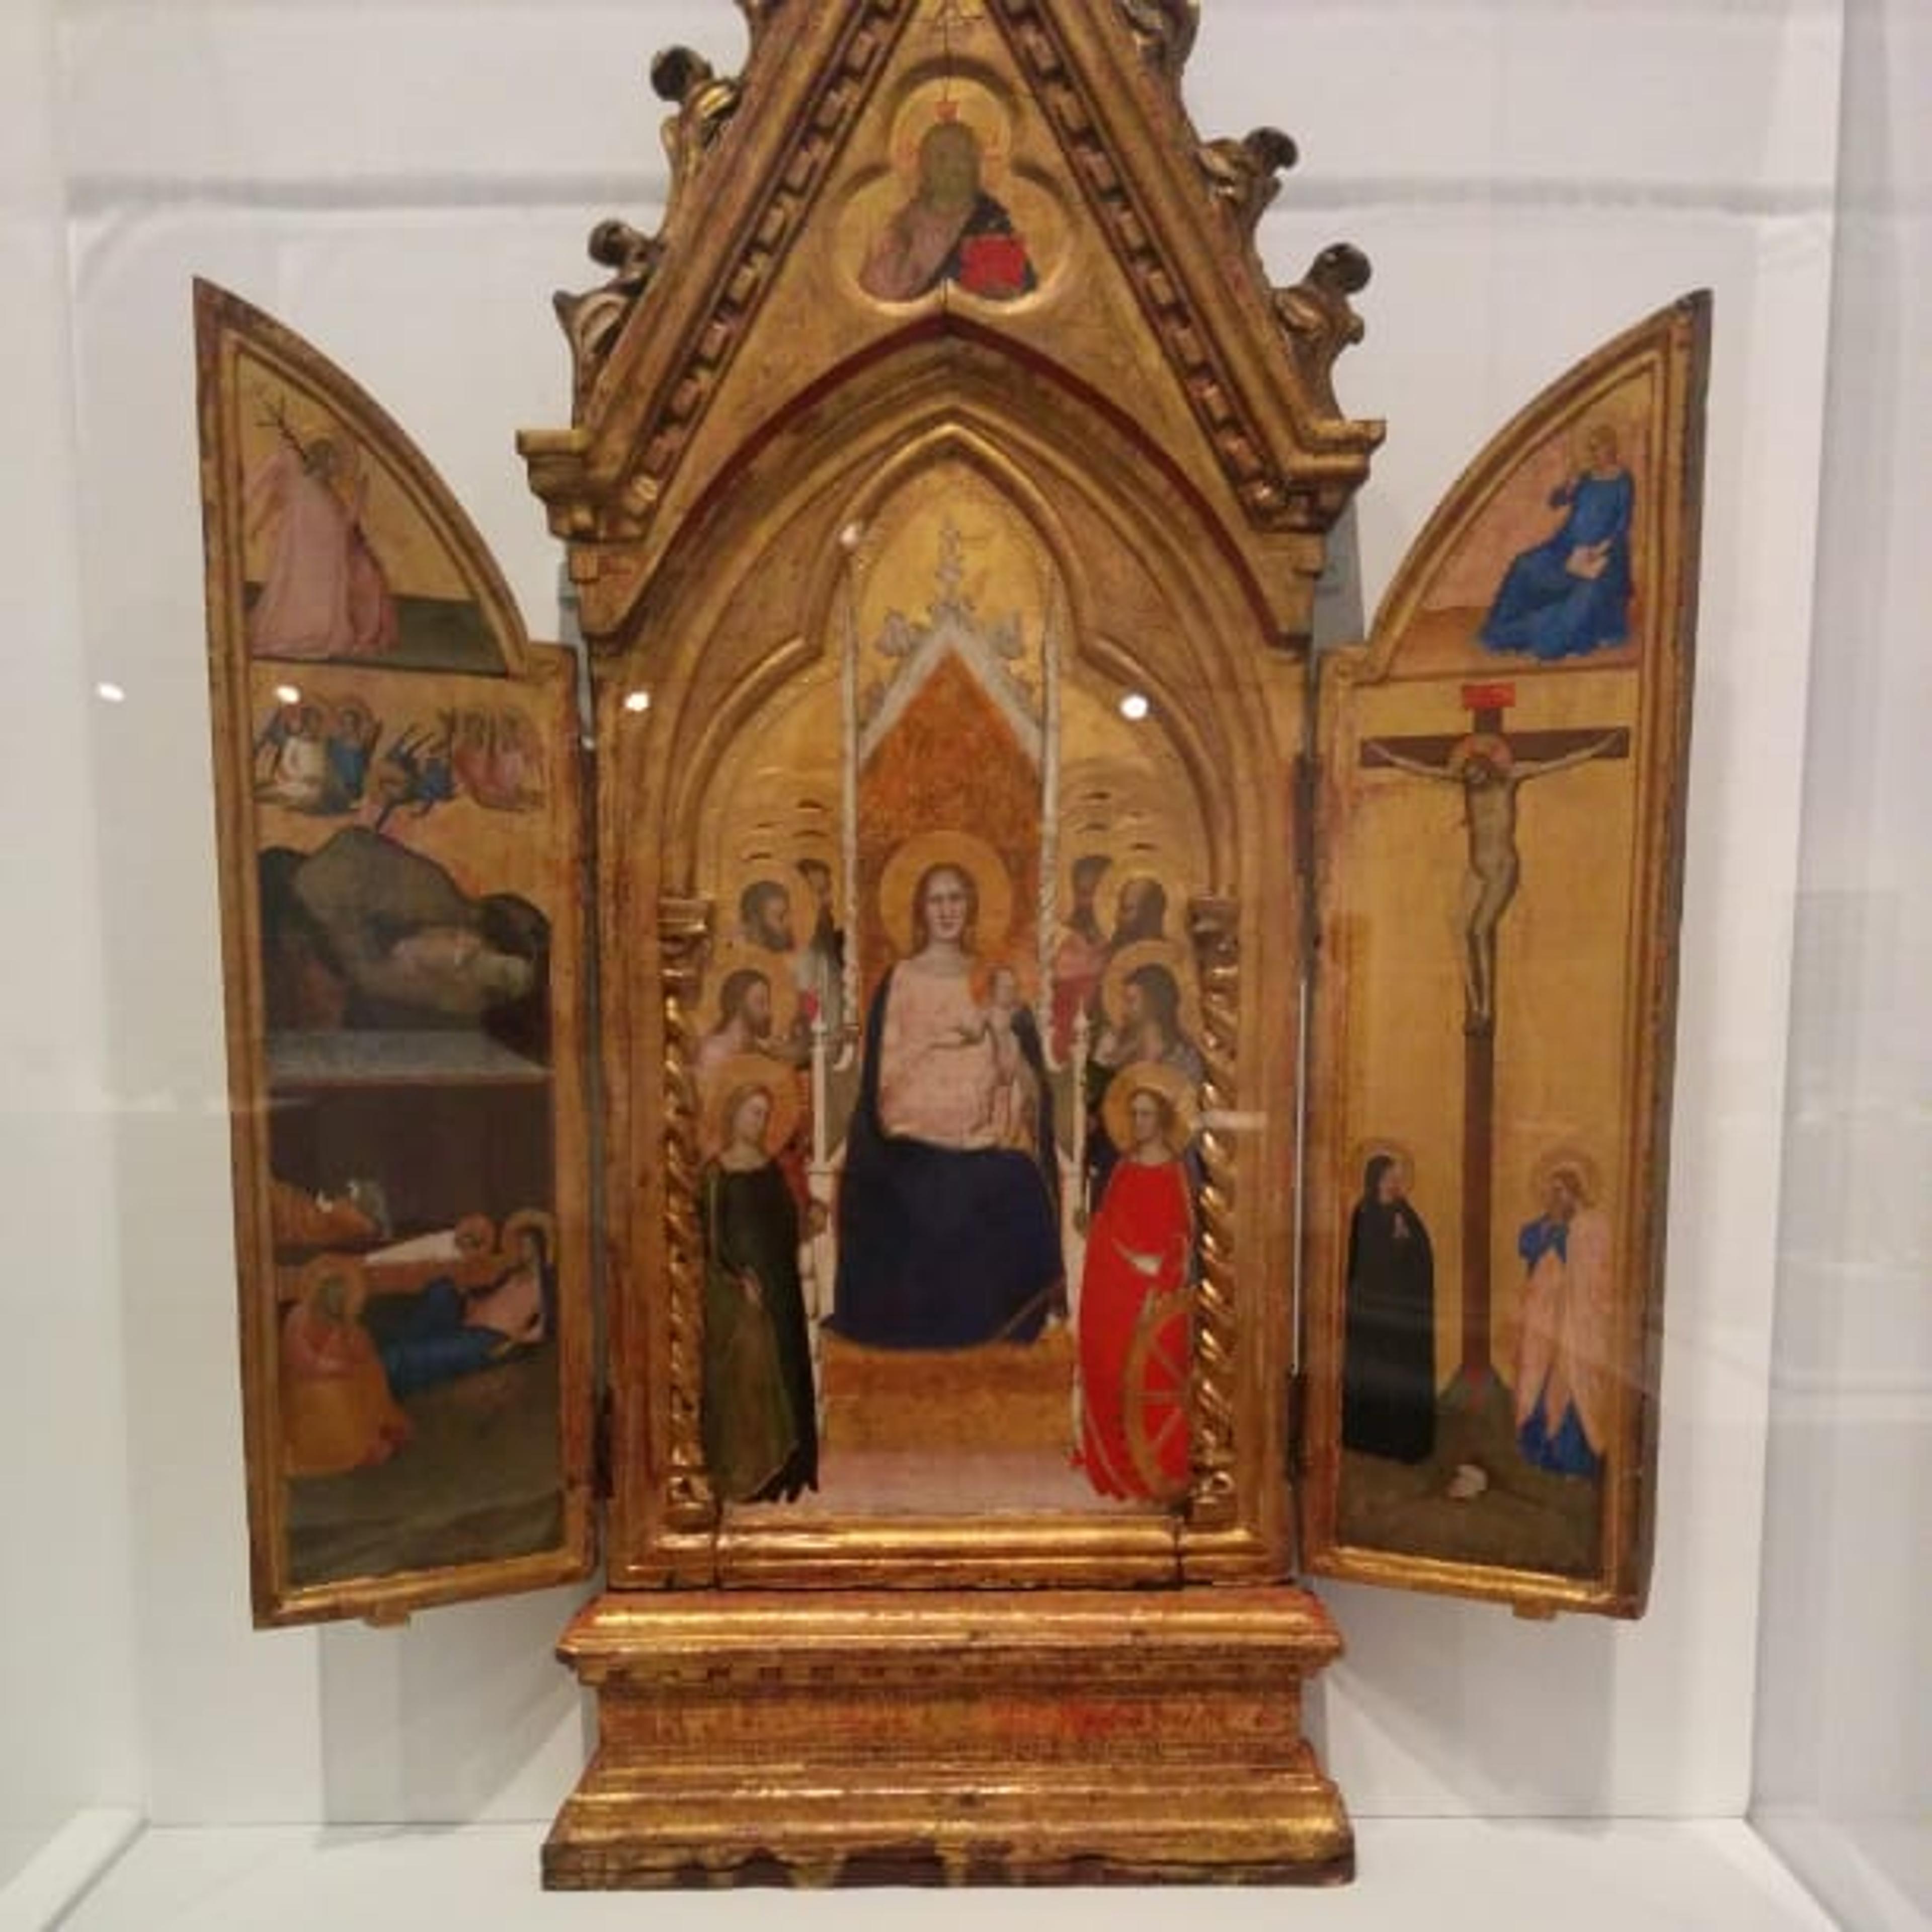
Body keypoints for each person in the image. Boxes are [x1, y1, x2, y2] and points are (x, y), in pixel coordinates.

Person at [832, 859, 1063, 1350]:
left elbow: (1022, 1079)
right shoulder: (900, 979)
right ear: (921, 910)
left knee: (1019, 1181)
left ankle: (996, 1330)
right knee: (920, 1196)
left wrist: (1005, 1055)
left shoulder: (994, 980)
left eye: (956, 898)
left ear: (971, 907)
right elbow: (886, 1078)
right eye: (936, 900)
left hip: (980, 1144)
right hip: (909, 1148)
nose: (946, 910)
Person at [1077, 1073, 1195, 1501]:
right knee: (1108, 1364)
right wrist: (1107, 1242)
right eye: (1135, 1114)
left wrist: (1157, 1280)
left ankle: (1155, 1468)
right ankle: (1115, 1464)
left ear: (1162, 1119)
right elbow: (1109, 1224)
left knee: (1155, 1371)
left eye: (1146, 1115)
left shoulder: (1175, 1172)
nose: (1139, 1122)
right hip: (1118, 1286)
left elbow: (1183, 1241)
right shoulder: (1124, 1168)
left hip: (1158, 1297)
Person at [700, 1083, 819, 1503]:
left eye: (765, 1115)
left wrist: (807, 1220)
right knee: (752, 1376)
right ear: (733, 1114)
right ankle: (754, 1472)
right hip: (742, 1290)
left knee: (789, 1363)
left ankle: (791, 1469)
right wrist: (738, 1278)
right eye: (753, 1113)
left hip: (780, 1279)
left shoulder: (770, 1168)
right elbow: (711, 1239)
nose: (760, 1123)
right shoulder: (716, 1174)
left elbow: (787, 1220)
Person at [1480, 423, 1635, 661]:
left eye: (1599, 448)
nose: (1595, 454)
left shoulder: (1623, 481)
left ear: (1611, 448)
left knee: (1583, 596)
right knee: (1524, 565)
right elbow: (1555, 503)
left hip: (1604, 556)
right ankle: (1502, 629)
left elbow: (1622, 525)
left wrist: (1599, 550)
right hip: (1565, 548)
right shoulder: (1586, 477)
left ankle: (1542, 640)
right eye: (1592, 449)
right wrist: (1568, 485)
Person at [245, 429, 398, 661]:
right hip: (310, 571)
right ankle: (309, 632)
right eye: (332, 462)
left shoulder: (318, 491)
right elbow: (334, 529)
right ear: (323, 461)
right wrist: (357, 503)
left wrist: (358, 503)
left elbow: (340, 527)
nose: (336, 468)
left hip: (319, 570)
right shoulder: (310, 491)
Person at [859, 118, 1038, 304]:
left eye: (963, 158)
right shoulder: (903, 226)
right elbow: (875, 296)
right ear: (924, 168)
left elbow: (1020, 301)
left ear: (977, 166)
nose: (953, 168)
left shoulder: (991, 223)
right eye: (942, 158)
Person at [374, 1218, 554, 1399]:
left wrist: (510, 1345)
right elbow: (484, 1297)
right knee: (443, 1288)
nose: (520, 1250)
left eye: (526, 1246)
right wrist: (464, 1295)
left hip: (489, 1339)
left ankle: (385, 1363)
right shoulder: (510, 1274)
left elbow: (542, 1331)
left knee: (407, 1358)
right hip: (467, 1324)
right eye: (518, 1245)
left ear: (539, 1249)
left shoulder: (543, 1285)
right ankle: (387, 1349)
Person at [1511, 1162, 1614, 1477]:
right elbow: (1526, 1244)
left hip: (1579, 1321)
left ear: (1574, 1191)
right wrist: (1549, 1231)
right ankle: (1543, 1456)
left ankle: (1577, 1460)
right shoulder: (1550, 1224)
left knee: (1575, 1380)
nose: (1553, 1199)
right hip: (1546, 1321)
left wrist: (1563, 1240)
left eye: (1559, 1192)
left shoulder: (1592, 1225)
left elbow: (1597, 1274)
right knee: (1538, 1377)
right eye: (1549, 1192)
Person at [1340, 1154, 1437, 1464]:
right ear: (1376, 1180)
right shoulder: (1363, 1213)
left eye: (1398, 1178)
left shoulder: (1406, 1214)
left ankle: (1403, 1443)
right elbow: (1356, 1263)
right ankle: (1367, 1439)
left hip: (1399, 1314)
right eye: (1389, 1178)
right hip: (1370, 1314)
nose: (1395, 1184)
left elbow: (1422, 1260)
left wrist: (1406, 1241)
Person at [280, 1261, 411, 1477]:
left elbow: (358, 1348)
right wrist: (336, 1366)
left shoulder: (343, 1322)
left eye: (342, 1296)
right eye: (333, 1294)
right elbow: (302, 1361)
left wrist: (358, 1355)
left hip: (336, 1374)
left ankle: (376, 1429)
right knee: (335, 1393)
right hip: (307, 1390)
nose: (338, 1300)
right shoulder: (299, 1317)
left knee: (371, 1371)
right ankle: (357, 1445)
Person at [1048, 854, 1111, 1062]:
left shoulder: (1121, 945)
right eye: (1084, 893)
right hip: (1061, 1043)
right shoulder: (1059, 939)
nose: (1091, 902)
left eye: (1098, 893)